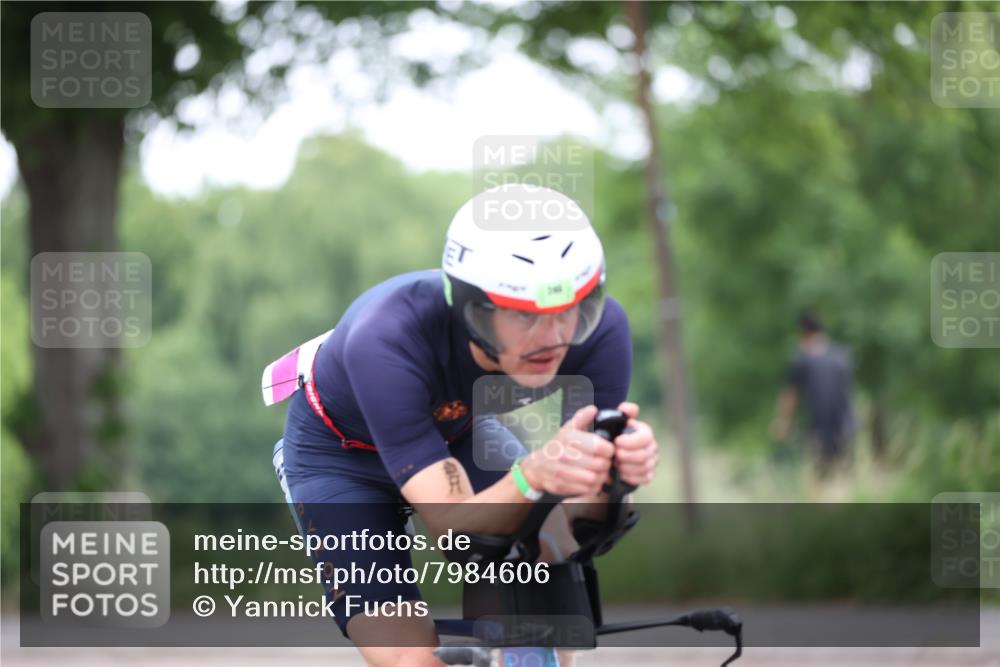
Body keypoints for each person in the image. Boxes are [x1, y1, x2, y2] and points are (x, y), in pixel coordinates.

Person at [272, 185, 659, 667]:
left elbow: (583, 528)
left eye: (572, 311)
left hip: (455, 435)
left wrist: (614, 476)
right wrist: (533, 477)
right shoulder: (386, 336)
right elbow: (454, 526)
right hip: (338, 457)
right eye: (525, 316)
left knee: (548, 555)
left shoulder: (601, 332)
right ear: (473, 310)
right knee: (409, 658)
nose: (555, 337)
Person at [771, 312, 856, 479]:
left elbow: (790, 394)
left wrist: (782, 421)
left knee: (821, 479)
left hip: (819, 430)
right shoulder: (843, 356)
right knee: (844, 478)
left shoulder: (802, 360)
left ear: (804, 334)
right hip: (847, 427)